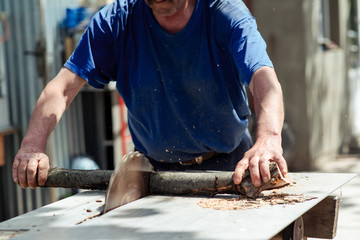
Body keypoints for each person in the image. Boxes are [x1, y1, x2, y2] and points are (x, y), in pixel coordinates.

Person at [12, 0, 288, 190]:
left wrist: (269, 138)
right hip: (151, 173)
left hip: (231, 168)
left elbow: (263, 79)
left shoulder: (224, 13)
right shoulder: (116, 21)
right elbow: (62, 87)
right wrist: (32, 146)